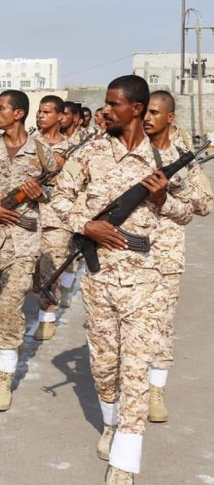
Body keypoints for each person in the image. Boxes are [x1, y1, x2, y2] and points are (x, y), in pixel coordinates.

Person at [52, 75, 196, 484]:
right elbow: (58, 197)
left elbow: (190, 210)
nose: (106, 110)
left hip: (147, 278)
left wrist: (163, 199)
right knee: (104, 367)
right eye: (106, 103)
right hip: (99, 278)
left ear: (136, 109)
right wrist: (85, 224)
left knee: (134, 370)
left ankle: (126, 460)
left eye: (114, 104)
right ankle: (111, 423)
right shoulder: (90, 152)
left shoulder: (165, 156)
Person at [0, 90, 53, 412]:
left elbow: (61, 190)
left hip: (24, 241)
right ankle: (9, 338)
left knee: (9, 306)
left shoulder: (41, 151)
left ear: (18, 114)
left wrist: (40, 192)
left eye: (1, 108)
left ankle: (4, 375)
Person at [143, 90, 213, 423]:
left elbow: (205, 204)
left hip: (165, 255)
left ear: (169, 118)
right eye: (145, 112)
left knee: (160, 325)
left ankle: (156, 389)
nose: (147, 118)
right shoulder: (128, 151)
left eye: (155, 113)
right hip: (124, 253)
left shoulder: (183, 158)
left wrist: (172, 189)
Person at [33, 95, 75, 340]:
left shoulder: (73, 149)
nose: (41, 116)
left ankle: (46, 320)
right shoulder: (26, 142)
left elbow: (77, 181)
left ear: (60, 116)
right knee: (30, 272)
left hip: (56, 218)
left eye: (47, 112)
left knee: (50, 270)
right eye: (39, 111)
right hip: (27, 215)